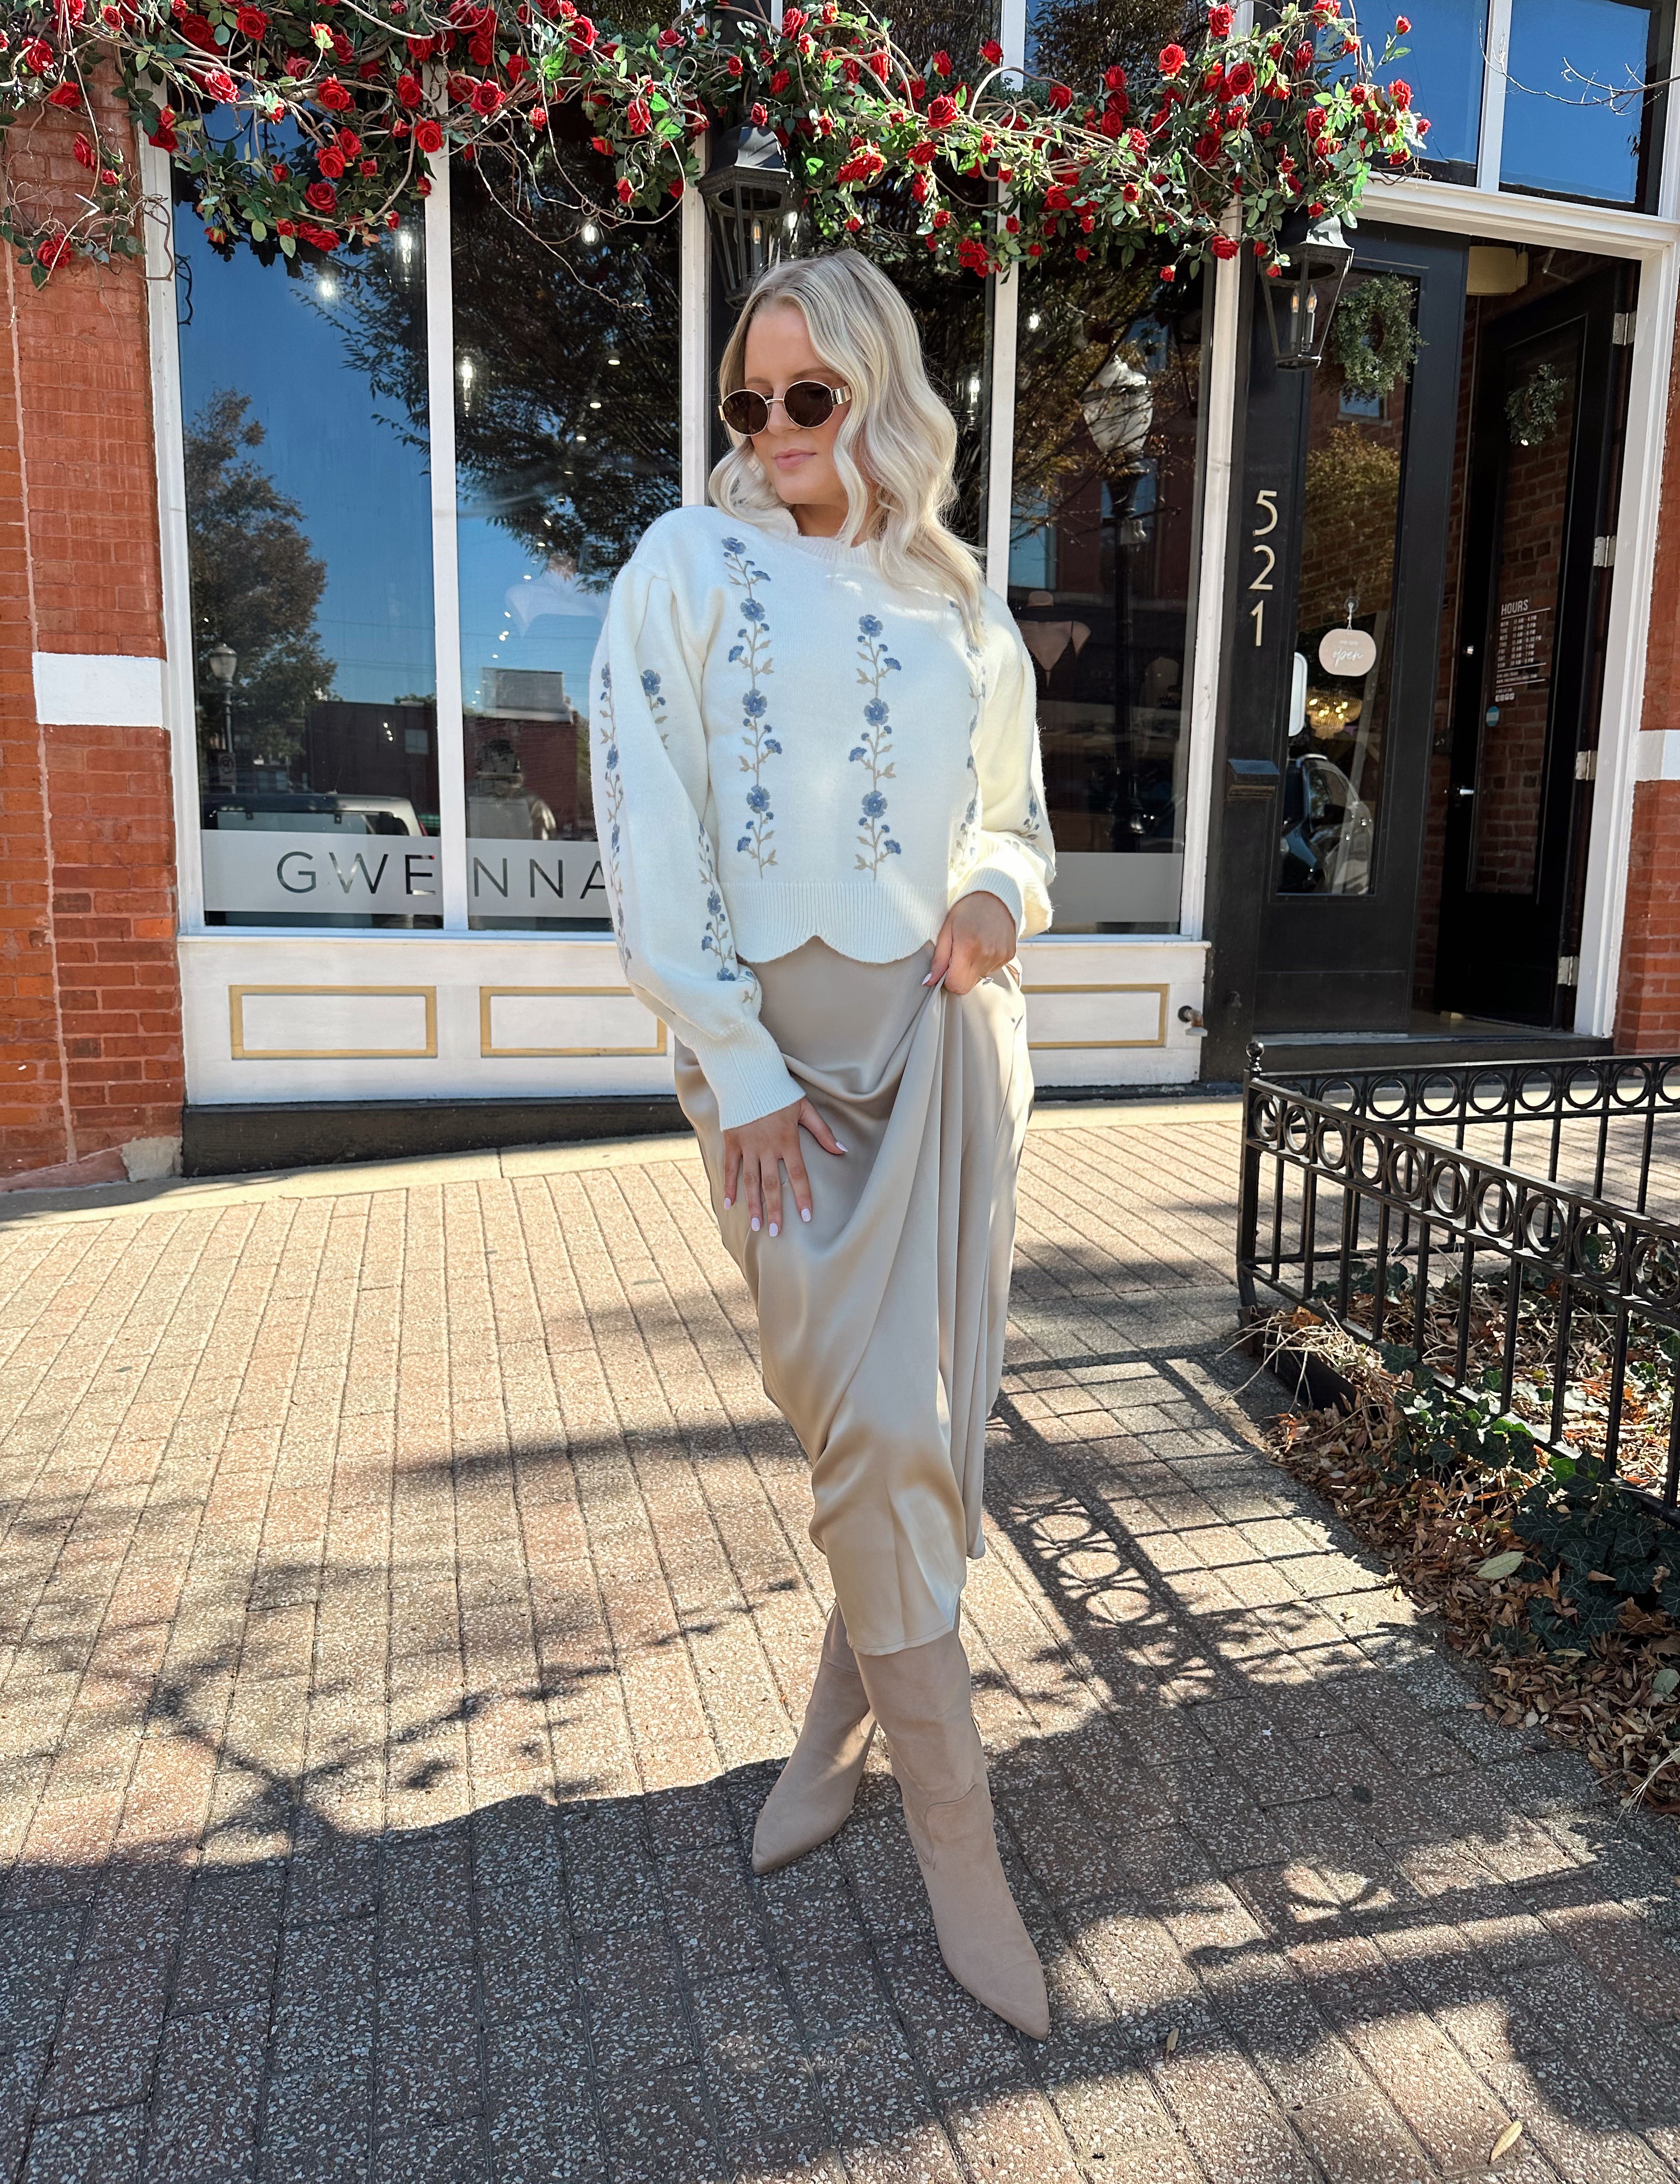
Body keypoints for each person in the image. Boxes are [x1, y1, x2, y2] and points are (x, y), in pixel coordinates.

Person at [588, 250, 1055, 2038]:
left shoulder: (957, 597)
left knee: (915, 1431)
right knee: (864, 1422)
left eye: (809, 398)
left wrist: (999, 897)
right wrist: (737, 1061)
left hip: (940, 1052)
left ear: (877, 392)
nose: (774, 433)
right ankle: (963, 1833)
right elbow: (647, 828)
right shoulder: (684, 569)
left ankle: (836, 1740)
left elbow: (1010, 818)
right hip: (776, 1077)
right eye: (747, 403)